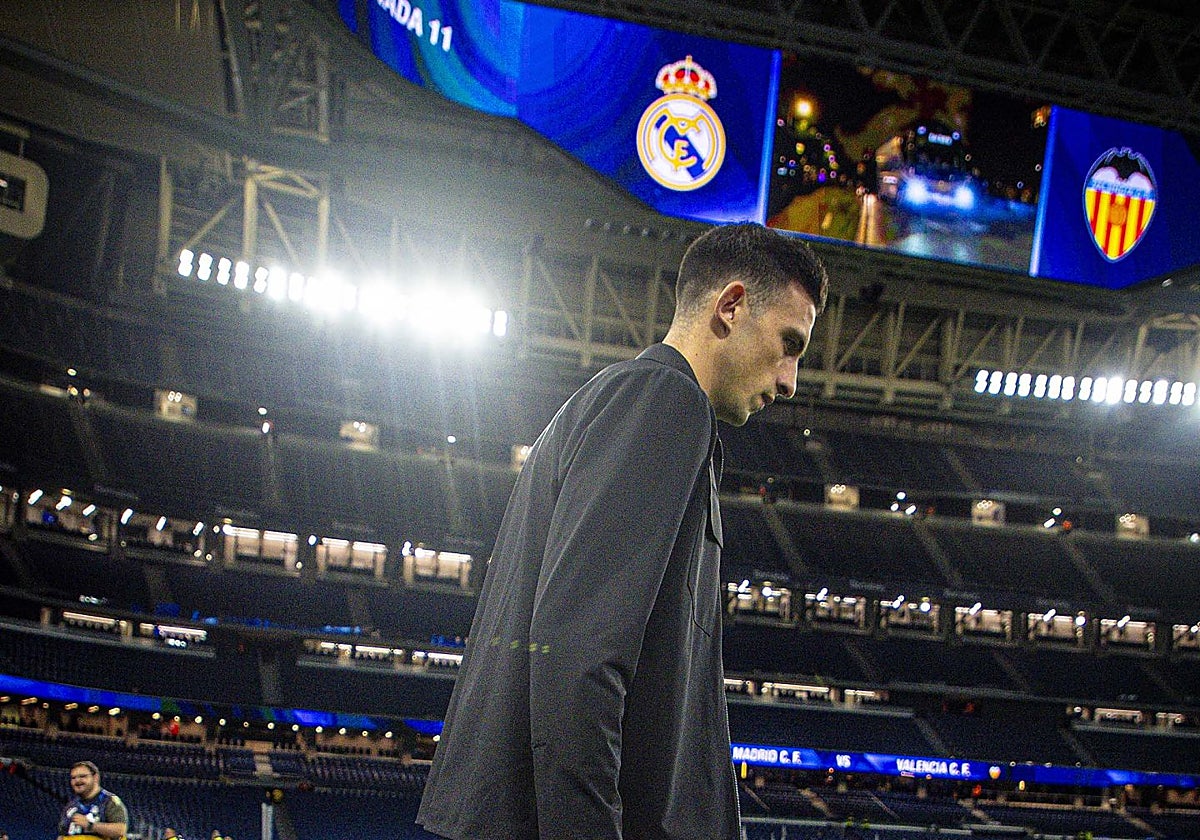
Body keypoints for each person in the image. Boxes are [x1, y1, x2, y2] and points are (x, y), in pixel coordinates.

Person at [417, 223, 828, 840]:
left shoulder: (635, 402)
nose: (791, 379)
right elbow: (579, 659)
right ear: (732, 306)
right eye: (789, 343)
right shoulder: (663, 399)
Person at [57, 761, 128, 839]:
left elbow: (120, 830)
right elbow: (62, 834)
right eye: (73, 778)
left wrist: (90, 825)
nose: (77, 781)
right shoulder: (70, 806)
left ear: (95, 777)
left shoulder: (109, 801)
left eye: (82, 776)